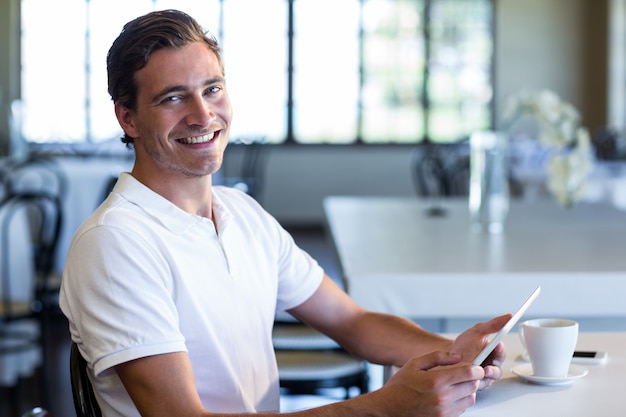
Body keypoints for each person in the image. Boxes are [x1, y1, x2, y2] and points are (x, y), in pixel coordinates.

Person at [59, 9, 511, 417]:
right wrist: (383, 408)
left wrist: (459, 354)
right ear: (129, 119)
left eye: (212, 89)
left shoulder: (241, 213)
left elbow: (352, 322)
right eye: (173, 98)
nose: (203, 114)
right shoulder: (115, 242)